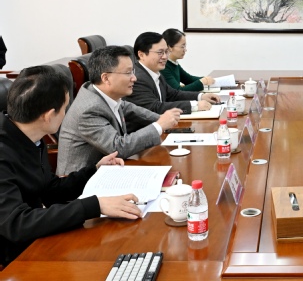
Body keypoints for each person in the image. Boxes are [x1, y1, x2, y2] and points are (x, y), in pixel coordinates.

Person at [0, 66, 142, 267]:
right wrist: (95, 206)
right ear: (48, 115)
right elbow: (16, 223)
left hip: (37, 238)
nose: (67, 114)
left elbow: (48, 189)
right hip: (16, 257)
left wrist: (94, 171)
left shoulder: (30, 136)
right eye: (65, 107)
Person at [57, 46, 182, 175]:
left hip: (107, 169)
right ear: (106, 78)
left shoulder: (99, 92)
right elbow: (117, 148)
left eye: (133, 71)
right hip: (81, 180)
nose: (134, 78)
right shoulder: (89, 109)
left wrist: (160, 118)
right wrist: (159, 125)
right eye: (128, 73)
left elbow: (127, 107)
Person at [124, 32, 220, 114]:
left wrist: (201, 96)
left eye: (166, 52)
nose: (165, 57)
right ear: (141, 55)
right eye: (160, 52)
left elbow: (173, 94)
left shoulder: (155, 73)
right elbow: (154, 107)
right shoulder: (137, 78)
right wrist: (194, 105)